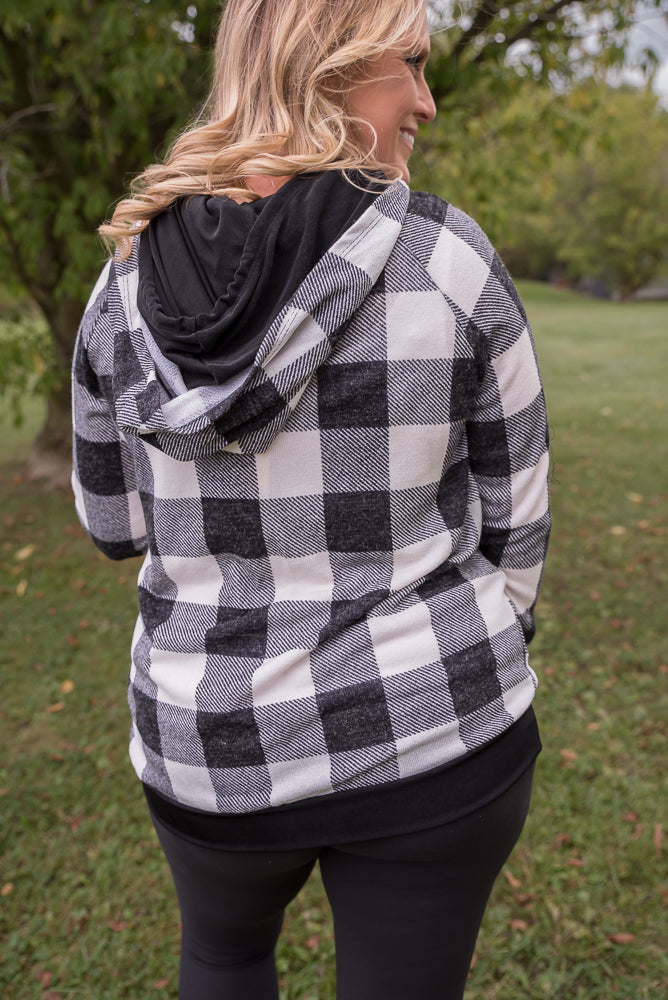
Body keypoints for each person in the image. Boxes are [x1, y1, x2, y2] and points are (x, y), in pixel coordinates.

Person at [71, 0, 551, 997]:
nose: (425, 100)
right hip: (434, 737)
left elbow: (111, 525)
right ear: (329, 65)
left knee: (223, 956)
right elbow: (518, 530)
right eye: (408, 66)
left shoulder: (120, 283)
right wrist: (464, 642)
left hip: (209, 745)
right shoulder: (449, 260)